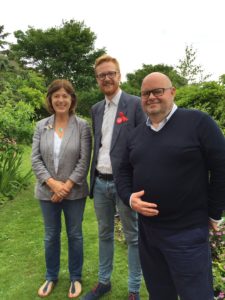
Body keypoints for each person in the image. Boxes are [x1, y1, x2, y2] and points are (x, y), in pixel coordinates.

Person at [116, 72, 225, 300]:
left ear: (172, 92)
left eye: (158, 91)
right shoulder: (136, 135)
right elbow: (123, 171)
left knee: (195, 295)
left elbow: (221, 165)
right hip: (149, 234)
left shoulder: (198, 122)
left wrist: (214, 212)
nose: (151, 97)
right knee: (159, 293)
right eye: (146, 93)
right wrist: (129, 198)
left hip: (186, 234)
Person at [82, 55, 146, 300]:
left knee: (133, 237)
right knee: (104, 234)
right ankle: (104, 282)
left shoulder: (135, 104)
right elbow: (100, 144)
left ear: (119, 75)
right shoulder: (96, 109)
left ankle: (133, 290)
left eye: (111, 73)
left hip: (125, 184)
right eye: (101, 75)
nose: (107, 78)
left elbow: (143, 144)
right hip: (100, 182)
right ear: (97, 80)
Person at [31, 79, 92, 298]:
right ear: (50, 99)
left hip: (74, 192)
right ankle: (51, 276)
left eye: (65, 95)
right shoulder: (41, 125)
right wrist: (53, 184)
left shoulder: (82, 125)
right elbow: (35, 159)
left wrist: (65, 187)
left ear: (72, 99)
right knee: (51, 236)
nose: (61, 100)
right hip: (47, 191)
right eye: (56, 95)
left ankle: (75, 277)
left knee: (75, 235)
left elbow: (84, 160)